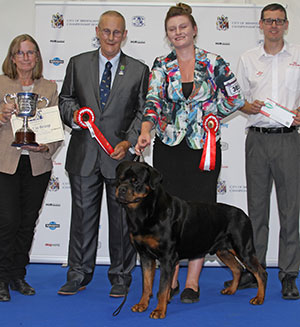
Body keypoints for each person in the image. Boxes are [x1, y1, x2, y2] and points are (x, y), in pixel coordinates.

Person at [135, 3, 244, 303]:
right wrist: (146, 130)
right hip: (168, 149)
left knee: (200, 212)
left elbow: (236, 97)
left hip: (203, 148)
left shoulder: (214, 62)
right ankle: (170, 279)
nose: (178, 32)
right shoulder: (161, 64)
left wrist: (213, 113)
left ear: (194, 29)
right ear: (167, 35)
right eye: (172, 29)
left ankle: (192, 283)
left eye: (183, 27)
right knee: (168, 215)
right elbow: (153, 101)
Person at [58, 10, 149, 297]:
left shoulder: (139, 69)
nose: (111, 37)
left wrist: (129, 141)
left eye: (117, 32)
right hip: (83, 155)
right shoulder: (77, 63)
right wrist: (75, 115)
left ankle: (121, 275)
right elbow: (65, 100)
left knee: (123, 223)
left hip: (121, 160)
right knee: (82, 218)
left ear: (124, 34)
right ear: (97, 31)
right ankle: (78, 274)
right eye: (106, 31)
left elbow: (143, 111)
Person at [224, 3, 300, 300]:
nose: (273, 26)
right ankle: (255, 269)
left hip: (288, 140)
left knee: (290, 209)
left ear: (286, 24)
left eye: (279, 21)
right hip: (256, 139)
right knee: (256, 211)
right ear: (260, 24)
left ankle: (289, 273)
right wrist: (246, 106)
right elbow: (236, 99)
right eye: (269, 21)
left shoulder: (297, 56)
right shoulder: (247, 58)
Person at [0, 34, 61, 302]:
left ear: (37, 57)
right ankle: (1, 276)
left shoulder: (48, 87)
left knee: (27, 223)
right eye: (20, 53)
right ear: (12, 58)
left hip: (37, 164)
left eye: (31, 52)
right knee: (7, 222)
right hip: (5, 163)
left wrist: (46, 147)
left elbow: (56, 130)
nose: (26, 57)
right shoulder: (0, 84)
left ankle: (18, 275)